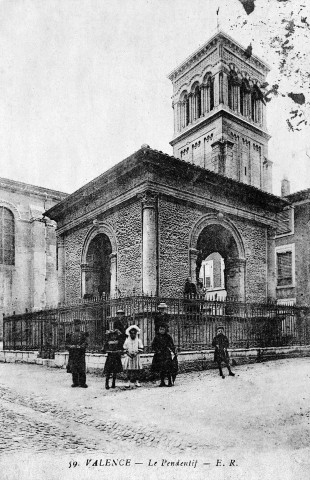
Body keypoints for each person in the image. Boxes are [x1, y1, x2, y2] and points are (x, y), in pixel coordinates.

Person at [65, 318, 88, 388]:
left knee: (81, 368)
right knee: (74, 368)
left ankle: (82, 383)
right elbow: (66, 344)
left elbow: (86, 343)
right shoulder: (70, 334)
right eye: (75, 325)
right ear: (73, 326)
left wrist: (81, 346)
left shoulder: (83, 334)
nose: (76, 326)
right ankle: (75, 382)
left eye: (78, 325)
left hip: (80, 353)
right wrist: (71, 346)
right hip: (73, 354)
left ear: (80, 325)